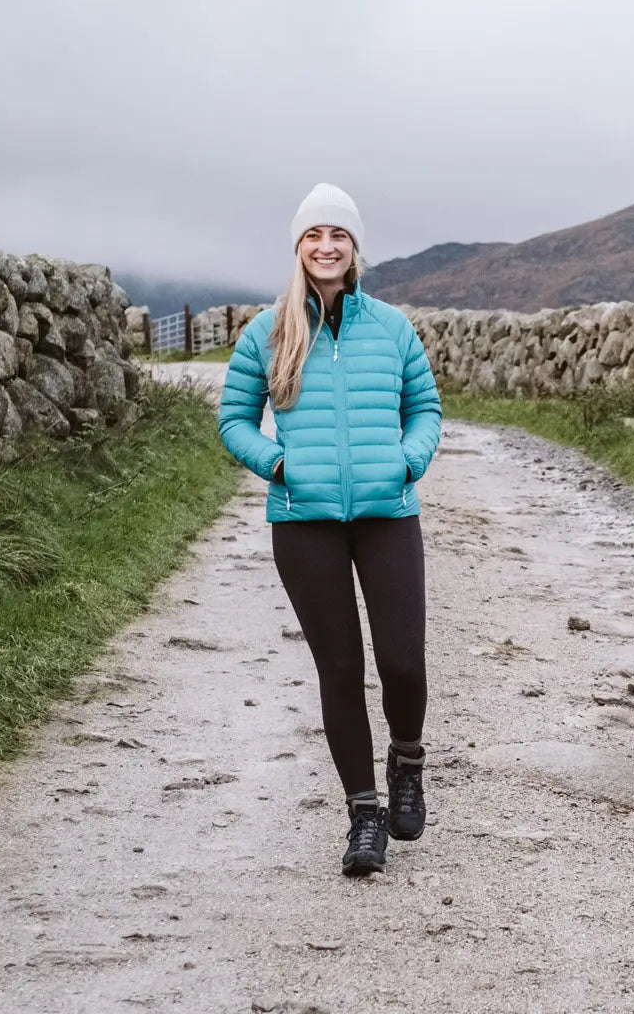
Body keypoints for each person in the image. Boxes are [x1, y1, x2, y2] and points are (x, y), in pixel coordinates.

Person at [218, 183, 442, 876]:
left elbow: (426, 409)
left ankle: (407, 758)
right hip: (304, 522)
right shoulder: (268, 332)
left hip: (387, 515)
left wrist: (406, 462)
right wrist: (278, 463)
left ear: (354, 248)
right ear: (298, 248)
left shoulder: (392, 328)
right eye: (313, 235)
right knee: (339, 669)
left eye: (337, 235)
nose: (326, 246)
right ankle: (364, 814)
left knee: (402, 661)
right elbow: (233, 420)